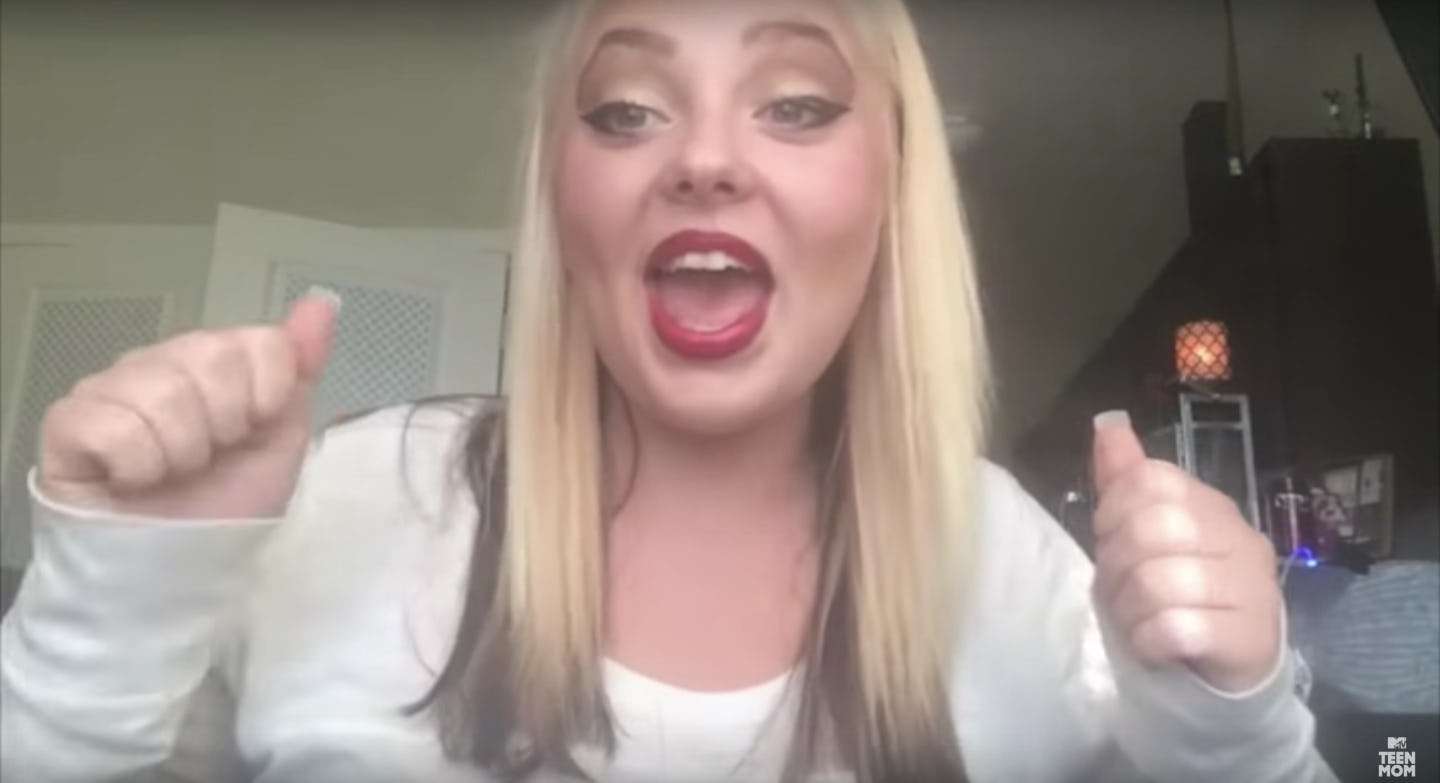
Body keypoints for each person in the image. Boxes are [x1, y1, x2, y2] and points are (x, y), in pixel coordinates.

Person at [0, 1, 1337, 782]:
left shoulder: (1016, 567)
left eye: (795, 104)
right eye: (627, 111)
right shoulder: (349, 504)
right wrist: (108, 616)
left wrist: (1241, 738)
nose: (701, 160)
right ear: (562, 197)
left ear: (892, 190)